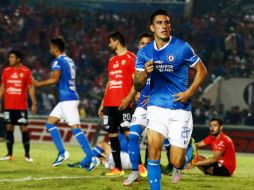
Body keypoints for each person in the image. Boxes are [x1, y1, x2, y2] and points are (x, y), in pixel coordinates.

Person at [134, 9, 207, 189]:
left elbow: (202, 71)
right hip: (156, 107)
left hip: (180, 110)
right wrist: (145, 74)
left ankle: (186, 153)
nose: (164, 26)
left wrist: (189, 93)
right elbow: (137, 84)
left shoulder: (182, 47)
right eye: (159, 23)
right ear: (152, 27)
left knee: (176, 161)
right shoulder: (144, 53)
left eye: (166, 22)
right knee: (153, 151)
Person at [33, 37, 95, 169]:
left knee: (76, 128)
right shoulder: (70, 60)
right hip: (67, 98)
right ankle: (62, 152)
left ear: (55, 48)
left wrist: (38, 84)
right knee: (50, 122)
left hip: (68, 99)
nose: (50, 49)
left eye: (51, 47)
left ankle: (92, 157)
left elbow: (54, 79)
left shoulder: (58, 61)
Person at [98, 31, 136, 176]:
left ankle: (138, 165)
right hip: (109, 103)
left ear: (116, 41)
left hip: (123, 103)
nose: (109, 45)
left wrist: (129, 98)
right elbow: (110, 83)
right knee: (112, 135)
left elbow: (135, 81)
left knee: (128, 133)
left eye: (110, 42)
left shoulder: (131, 57)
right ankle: (118, 169)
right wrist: (102, 103)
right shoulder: (111, 61)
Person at [123, 33, 152, 186]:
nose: (144, 46)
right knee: (133, 136)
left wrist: (153, 98)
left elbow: (169, 88)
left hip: (157, 108)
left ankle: (181, 160)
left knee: (162, 144)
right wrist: (134, 94)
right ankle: (135, 172)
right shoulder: (138, 65)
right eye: (141, 43)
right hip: (141, 107)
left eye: (147, 43)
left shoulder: (160, 63)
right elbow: (136, 84)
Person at [0, 50, 37, 162]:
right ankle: (9, 154)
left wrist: (34, 103)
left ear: (18, 59)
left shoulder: (25, 71)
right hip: (8, 106)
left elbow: (30, 87)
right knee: (9, 128)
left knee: (24, 129)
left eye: (12, 57)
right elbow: (3, 87)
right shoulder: (6, 71)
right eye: (10, 57)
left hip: (21, 106)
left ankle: (27, 155)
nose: (10, 59)